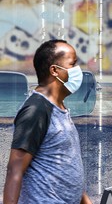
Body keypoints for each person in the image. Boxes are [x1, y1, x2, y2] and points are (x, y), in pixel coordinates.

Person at [3, 39, 92, 204]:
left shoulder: (59, 108)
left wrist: (85, 200)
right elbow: (14, 170)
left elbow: (66, 162)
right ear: (55, 70)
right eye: (72, 64)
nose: (77, 70)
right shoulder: (36, 110)